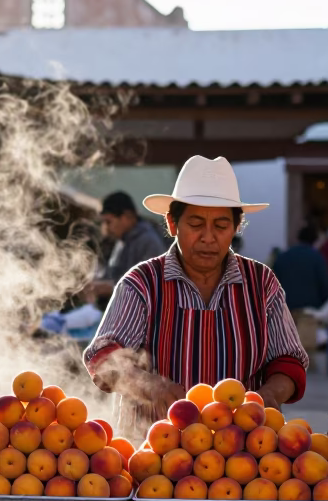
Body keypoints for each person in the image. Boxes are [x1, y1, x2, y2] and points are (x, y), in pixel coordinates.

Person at [84, 156, 308, 435]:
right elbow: (103, 357)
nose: (208, 237)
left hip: (243, 456)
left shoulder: (262, 284)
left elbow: (289, 361)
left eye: (221, 225)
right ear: (172, 223)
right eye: (196, 223)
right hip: (154, 452)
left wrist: (270, 395)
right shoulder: (141, 283)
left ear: (237, 227)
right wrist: (149, 384)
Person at [89, 191, 167, 299]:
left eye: (109, 222)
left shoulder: (148, 241)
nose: (106, 228)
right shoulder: (122, 241)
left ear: (127, 217)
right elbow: (113, 273)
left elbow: (152, 285)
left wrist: (111, 288)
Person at [272, 227, 328, 311]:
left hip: (286, 307)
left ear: (298, 238)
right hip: (310, 308)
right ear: (315, 240)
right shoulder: (317, 258)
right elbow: (324, 283)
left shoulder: (283, 256)